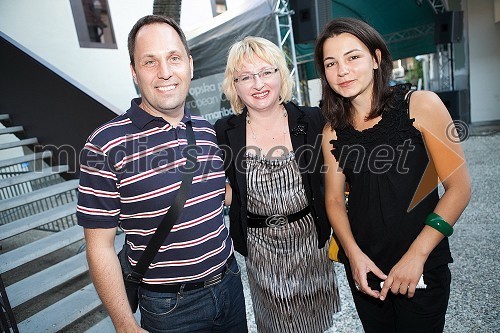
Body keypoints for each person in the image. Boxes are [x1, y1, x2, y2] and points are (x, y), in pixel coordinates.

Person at [76, 15, 247, 333]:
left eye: (174, 58)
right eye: (149, 61)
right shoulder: (104, 144)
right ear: (134, 72)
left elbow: (218, 195)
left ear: (190, 65)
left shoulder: (207, 131)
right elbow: (99, 247)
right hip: (170, 309)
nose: (165, 72)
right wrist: (124, 323)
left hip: (231, 285)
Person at [315, 17, 471, 333]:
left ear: (376, 58)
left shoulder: (421, 104)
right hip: (365, 267)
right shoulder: (332, 130)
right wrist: (354, 257)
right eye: (331, 63)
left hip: (422, 263)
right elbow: (333, 200)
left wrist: (417, 256)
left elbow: (459, 188)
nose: (341, 70)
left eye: (352, 57)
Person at [214, 36, 340, 333]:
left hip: (310, 245)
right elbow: (221, 187)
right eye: (246, 76)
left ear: (280, 75)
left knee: (313, 324)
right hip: (261, 252)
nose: (258, 84)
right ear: (234, 85)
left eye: (266, 72)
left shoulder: (312, 120)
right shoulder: (224, 131)